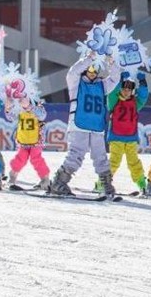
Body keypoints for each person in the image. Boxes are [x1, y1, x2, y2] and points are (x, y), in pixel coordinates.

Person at [49, 52, 119, 198]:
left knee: (101, 157)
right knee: (76, 155)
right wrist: (89, 59)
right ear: (86, 69)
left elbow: (115, 78)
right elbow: (72, 72)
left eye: (96, 70)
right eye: (90, 69)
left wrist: (112, 63)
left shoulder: (103, 85)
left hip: (97, 127)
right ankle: (59, 182)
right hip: (79, 125)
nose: (93, 73)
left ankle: (106, 185)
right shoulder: (76, 83)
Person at [106, 70, 150, 194]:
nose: (126, 91)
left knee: (134, 162)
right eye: (124, 89)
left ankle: (142, 183)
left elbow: (143, 96)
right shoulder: (113, 102)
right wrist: (120, 79)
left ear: (132, 91)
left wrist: (143, 82)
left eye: (129, 90)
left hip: (131, 138)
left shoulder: (136, 103)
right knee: (114, 161)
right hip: (116, 137)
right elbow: (112, 92)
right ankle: (103, 182)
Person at [5, 83, 50, 191]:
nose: (22, 101)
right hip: (23, 140)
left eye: (24, 98)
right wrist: (8, 108)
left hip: (36, 140)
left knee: (36, 159)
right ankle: (12, 176)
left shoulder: (38, 108)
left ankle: (45, 179)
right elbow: (11, 117)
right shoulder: (20, 110)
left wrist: (29, 107)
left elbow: (42, 116)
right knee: (20, 158)